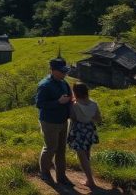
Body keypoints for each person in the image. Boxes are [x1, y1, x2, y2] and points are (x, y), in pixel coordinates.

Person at [35, 56, 73, 186]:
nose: (65, 73)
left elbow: (69, 97)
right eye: (62, 71)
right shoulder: (44, 85)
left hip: (63, 120)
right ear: (52, 70)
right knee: (50, 148)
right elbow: (39, 104)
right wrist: (58, 102)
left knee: (61, 149)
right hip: (49, 122)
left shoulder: (64, 83)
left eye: (65, 70)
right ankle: (44, 173)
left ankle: (61, 176)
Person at [68, 83, 102, 189]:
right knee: (87, 154)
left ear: (76, 93)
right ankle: (89, 178)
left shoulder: (75, 105)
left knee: (82, 157)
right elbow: (98, 119)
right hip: (90, 129)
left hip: (78, 130)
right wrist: (88, 118)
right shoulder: (94, 104)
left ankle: (90, 181)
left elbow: (72, 117)